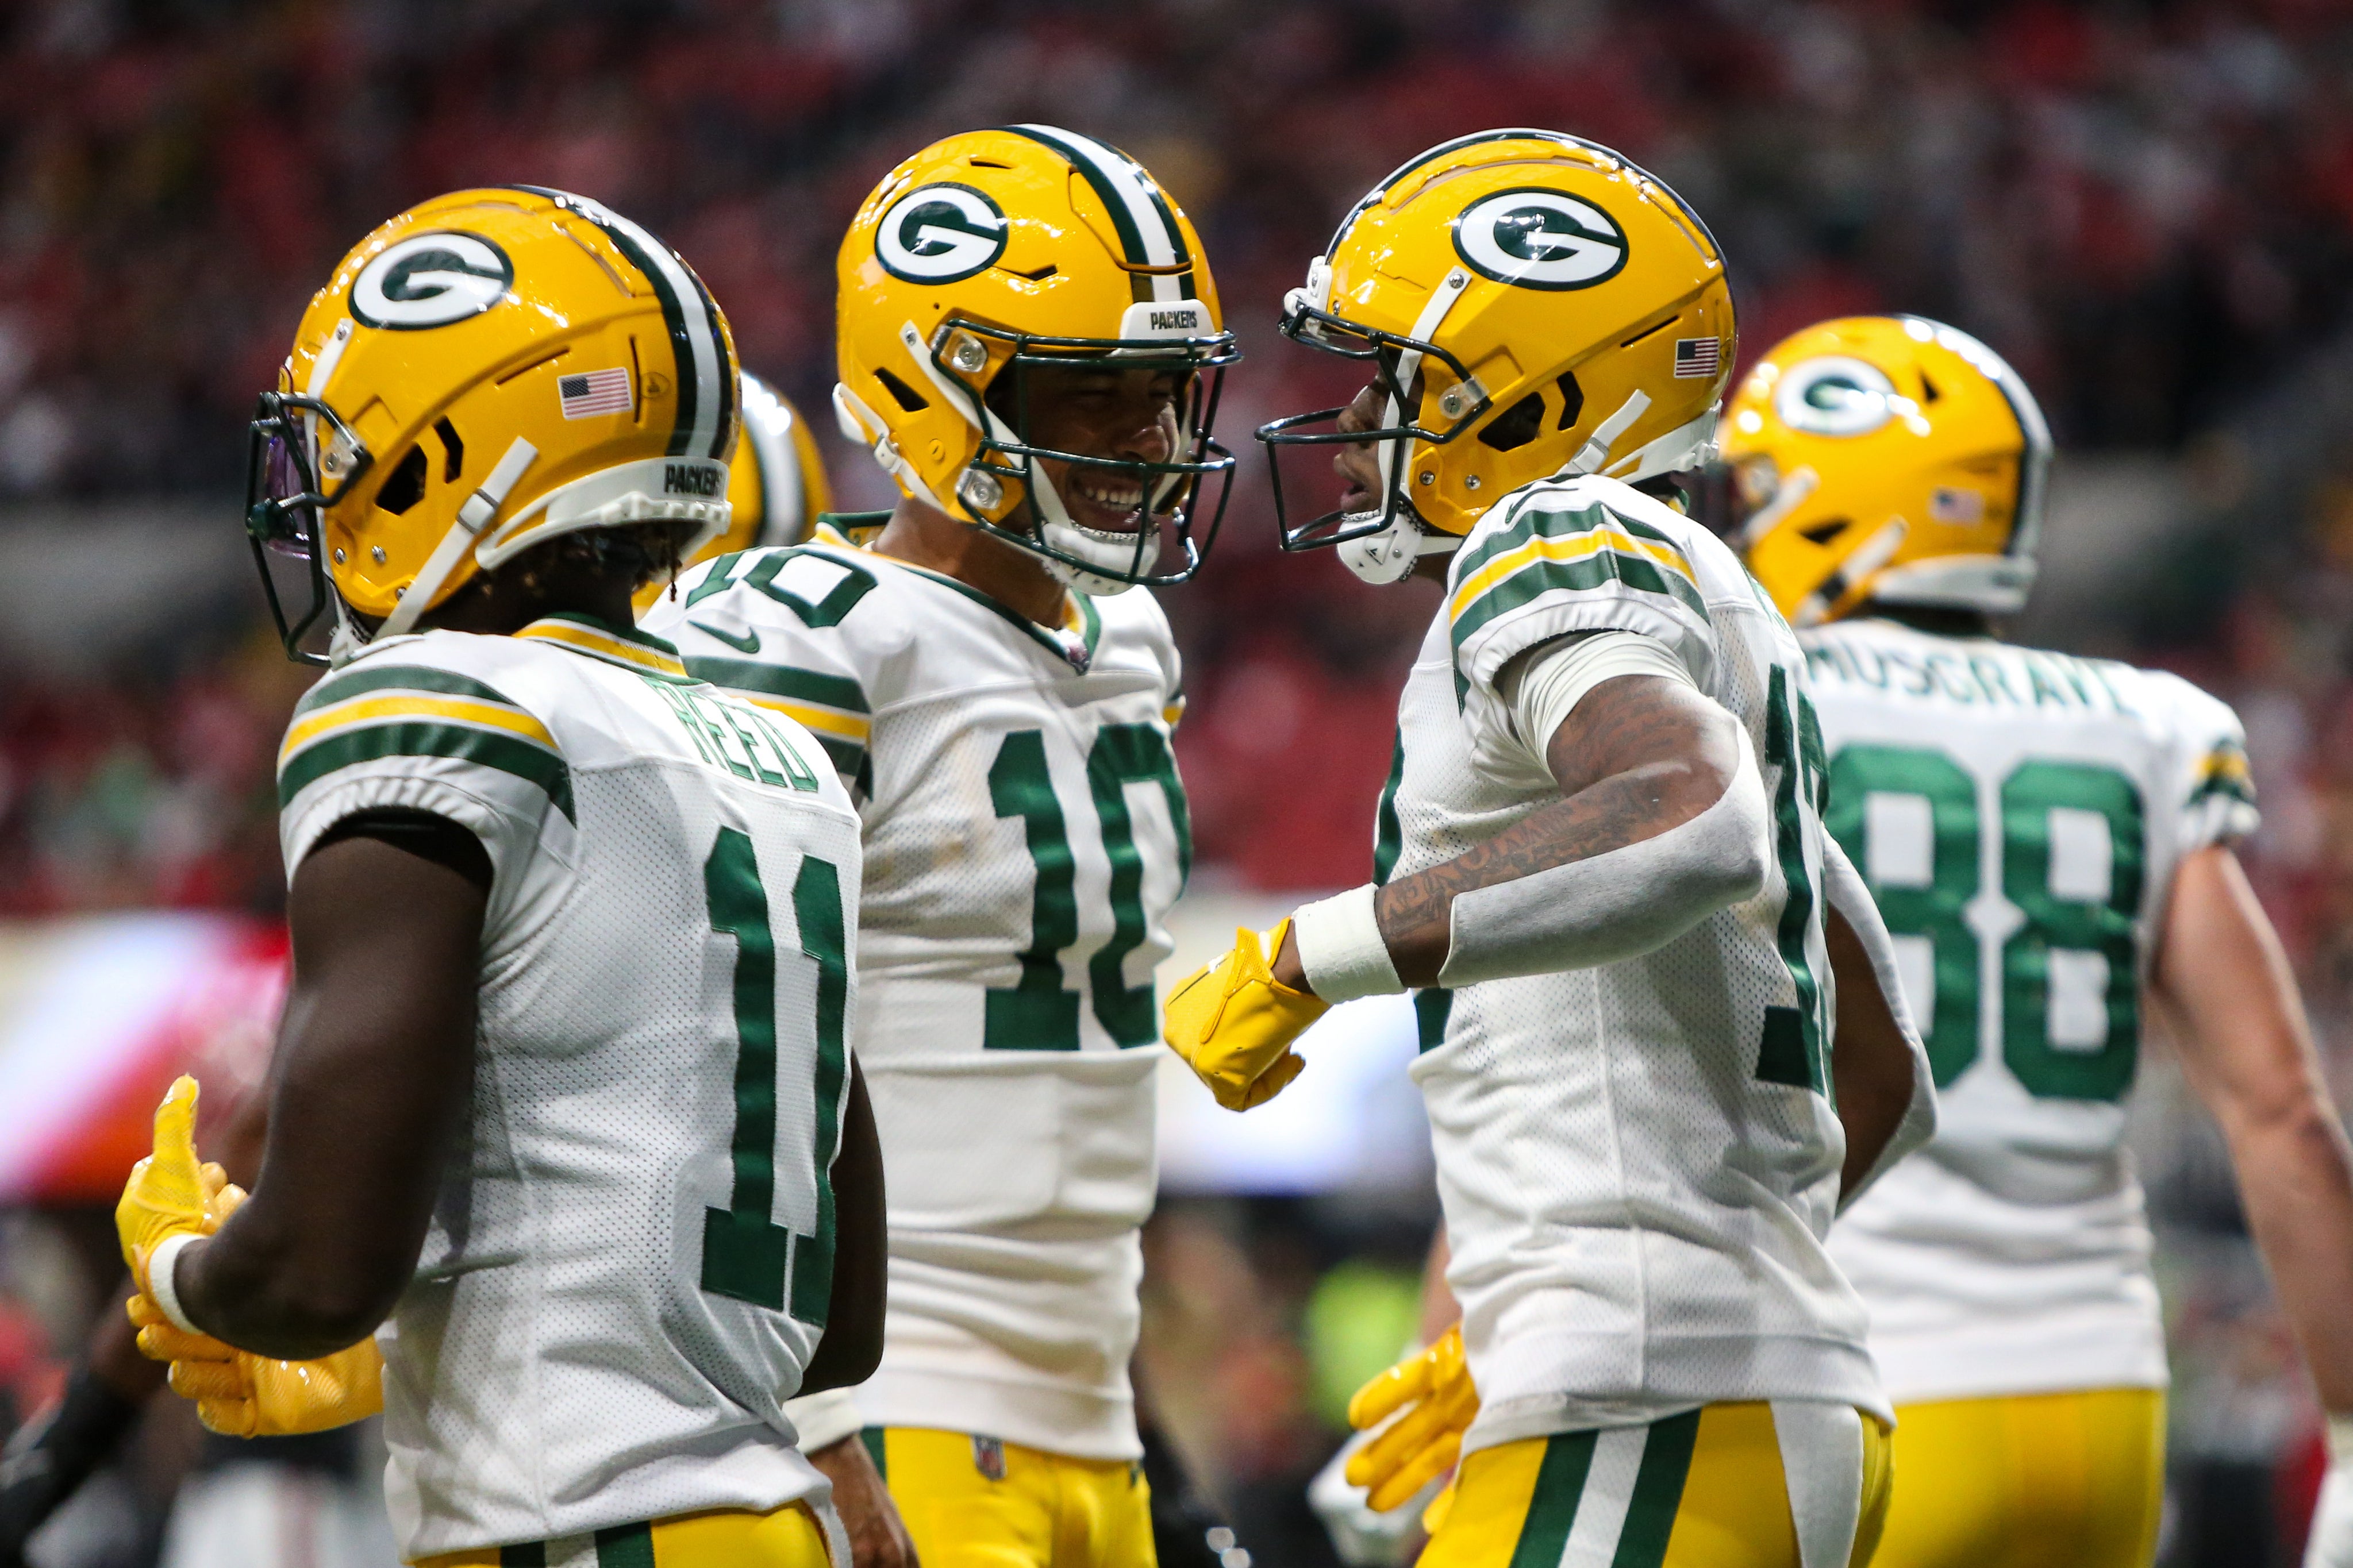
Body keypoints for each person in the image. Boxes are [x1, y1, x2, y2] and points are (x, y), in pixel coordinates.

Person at [1164, 129, 1936, 1568]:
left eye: (1402, 379)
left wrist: (1308, 957)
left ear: (1535, 394)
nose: (1369, 418)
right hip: (1746, 1401)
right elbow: (1880, 1062)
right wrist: (1612, 1299)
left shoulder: (1554, 528)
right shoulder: (1725, 605)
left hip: (1647, 1419)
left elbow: (1685, 808)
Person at [111, 184, 887, 1568]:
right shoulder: (786, 760)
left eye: (351, 457)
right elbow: (845, 1320)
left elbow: (312, 1268)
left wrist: (184, 1271)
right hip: (771, 1520)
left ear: (456, 447)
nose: (330, 498)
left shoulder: (443, 703)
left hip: (582, 1533)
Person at [644, 124, 1237, 1568]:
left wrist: (1173, 1470)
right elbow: (708, 1049)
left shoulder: (1128, 639)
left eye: (1164, 395)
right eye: (1088, 400)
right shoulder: (806, 636)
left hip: (1088, 1409)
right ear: (930, 385)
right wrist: (812, 1421)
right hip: (897, 1403)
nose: (1147, 446)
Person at [1723, 314, 2353, 1568]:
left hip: (1848, 1388)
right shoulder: (2144, 720)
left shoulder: (1739, 699)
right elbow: (2280, 1114)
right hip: (2100, 1401)